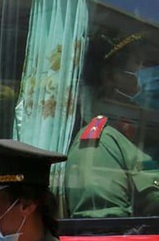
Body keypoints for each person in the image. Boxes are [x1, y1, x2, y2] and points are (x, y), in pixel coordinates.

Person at [65, 32, 159, 218]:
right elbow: (105, 232)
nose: (150, 74)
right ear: (111, 77)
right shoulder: (100, 144)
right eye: (139, 65)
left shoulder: (143, 133)